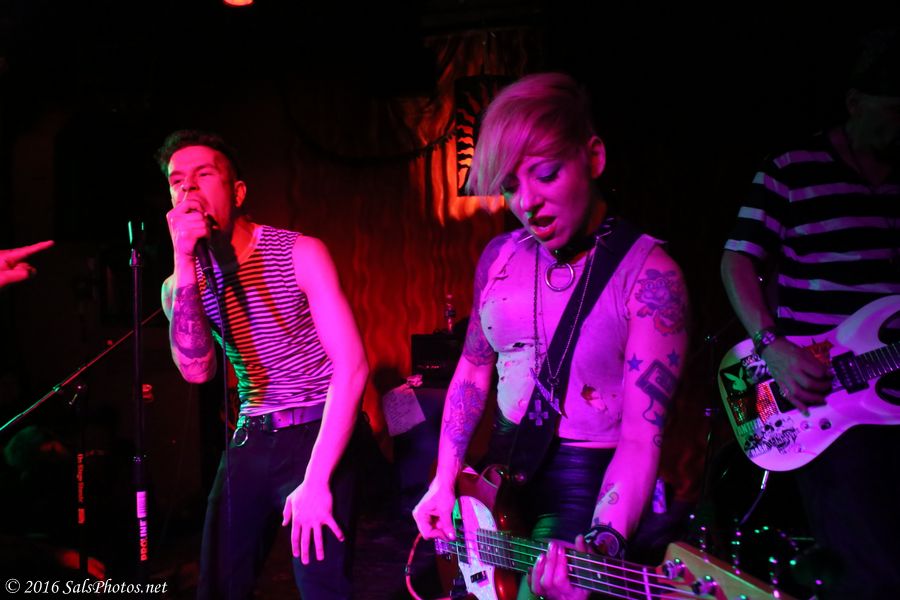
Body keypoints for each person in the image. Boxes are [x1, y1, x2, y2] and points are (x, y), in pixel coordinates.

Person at [411, 73, 689, 599]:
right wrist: (444, 480)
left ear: (594, 157)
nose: (527, 202)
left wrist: (602, 543)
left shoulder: (650, 275)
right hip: (501, 473)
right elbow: (473, 368)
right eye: (510, 185)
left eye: (545, 174)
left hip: (588, 484)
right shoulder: (499, 256)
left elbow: (640, 436)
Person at [720, 29, 900, 599]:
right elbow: (737, 259)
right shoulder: (792, 168)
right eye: (894, 111)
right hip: (823, 395)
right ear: (855, 103)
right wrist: (771, 345)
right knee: (871, 569)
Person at [158, 130, 368, 599]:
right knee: (218, 585)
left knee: (322, 587)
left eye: (202, 175)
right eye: (176, 181)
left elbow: (352, 367)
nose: (188, 188)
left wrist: (316, 480)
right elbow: (197, 371)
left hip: (317, 429)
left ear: (237, 192)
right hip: (252, 435)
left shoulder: (300, 252)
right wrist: (182, 259)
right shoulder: (178, 285)